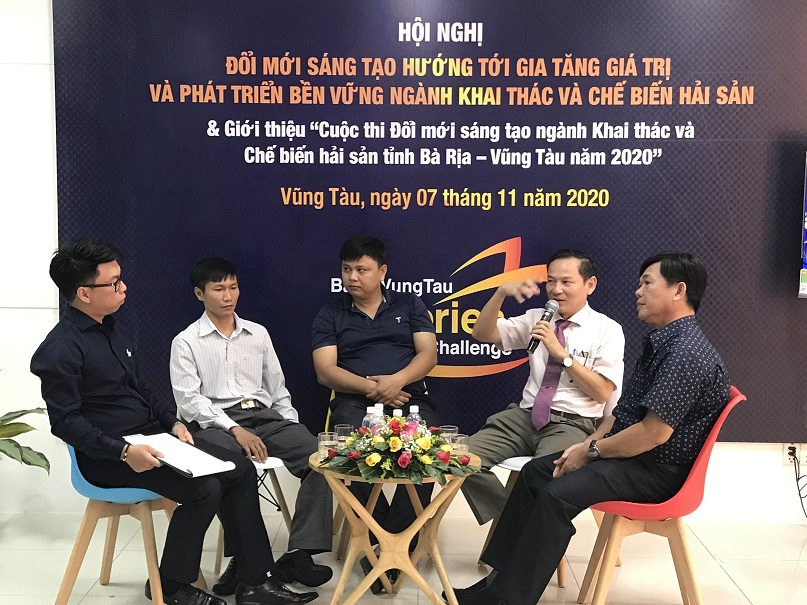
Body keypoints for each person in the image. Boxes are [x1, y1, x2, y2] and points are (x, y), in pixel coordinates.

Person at [30, 240, 318, 605]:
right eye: (114, 283)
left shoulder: (111, 329)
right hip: (107, 457)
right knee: (205, 489)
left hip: (153, 439)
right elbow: (65, 423)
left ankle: (254, 582)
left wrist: (172, 422)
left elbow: (141, 389)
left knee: (240, 469)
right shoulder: (60, 349)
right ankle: (171, 585)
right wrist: (123, 452)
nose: (124, 287)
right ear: (84, 293)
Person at [452, 251, 731, 605]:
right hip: (632, 454)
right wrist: (589, 444)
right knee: (536, 473)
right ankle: (496, 583)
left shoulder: (685, 352)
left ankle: (509, 598)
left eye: (647, 283)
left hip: (655, 469)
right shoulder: (662, 342)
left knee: (555, 494)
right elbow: (622, 412)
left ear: (678, 291)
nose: (637, 292)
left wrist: (591, 450)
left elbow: (653, 434)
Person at [170, 258, 333, 596]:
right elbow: (189, 402)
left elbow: (277, 388)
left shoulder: (257, 333)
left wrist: (289, 425)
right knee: (229, 468)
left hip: (265, 417)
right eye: (218, 289)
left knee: (320, 456)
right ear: (200, 293)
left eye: (233, 287)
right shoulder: (186, 341)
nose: (228, 296)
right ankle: (246, 561)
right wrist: (233, 428)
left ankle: (299, 553)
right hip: (216, 423)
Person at [311, 235, 440, 590]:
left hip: (408, 394)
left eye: (361, 270)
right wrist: (375, 389)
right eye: (346, 269)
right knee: (350, 453)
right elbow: (325, 371)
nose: (352, 277)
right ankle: (379, 542)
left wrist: (396, 382)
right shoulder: (331, 312)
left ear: (382, 271)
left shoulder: (409, 304)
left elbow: (428, 355)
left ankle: (396, 543)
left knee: (427, 451)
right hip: (355, 399)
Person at [462, 249, 625, 526]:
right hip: (524, 417)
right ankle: (510, 520)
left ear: (590, 285)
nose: (556, 290)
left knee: (544, 476)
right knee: (455, 457)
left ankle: (517, 528)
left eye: (566, 282)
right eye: (551, 281)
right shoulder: (537, 318)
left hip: (571, 423)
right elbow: (482, 333)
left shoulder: (606, 329)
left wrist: (561, 353)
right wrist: (500, 293)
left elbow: (601, 392)